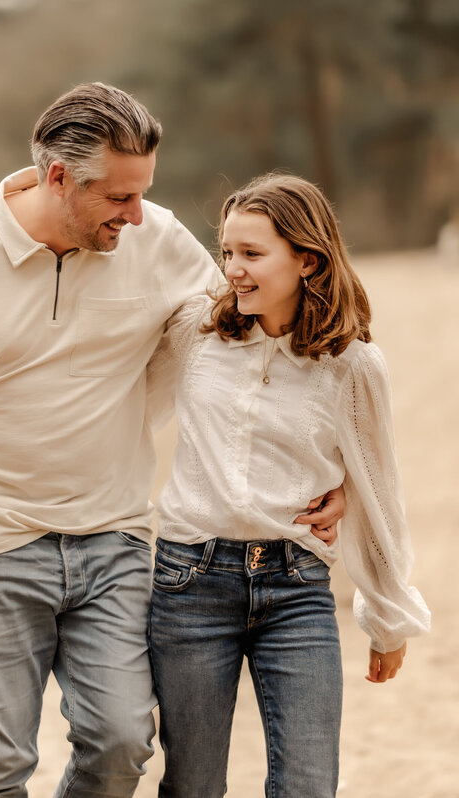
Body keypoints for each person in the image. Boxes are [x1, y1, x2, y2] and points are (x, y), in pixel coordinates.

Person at [0, 83, 345, 797]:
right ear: (56, 178)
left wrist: (339, 466)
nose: (136, 215)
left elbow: (248, 342)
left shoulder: (158, 238)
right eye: (117, 198)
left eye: (142, 194)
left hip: (112, 534)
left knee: (119, 744)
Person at [146, 173, 431, 797]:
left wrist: (386, 618)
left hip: (296, 587)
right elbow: (114, 393)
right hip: (188, 584)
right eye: (226, 253)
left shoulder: (352, 363)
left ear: (307, 258)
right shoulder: (194, 330)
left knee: (307, 783)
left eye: (251, 254)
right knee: (192, 786)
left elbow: (379, 488)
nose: (232, 270)